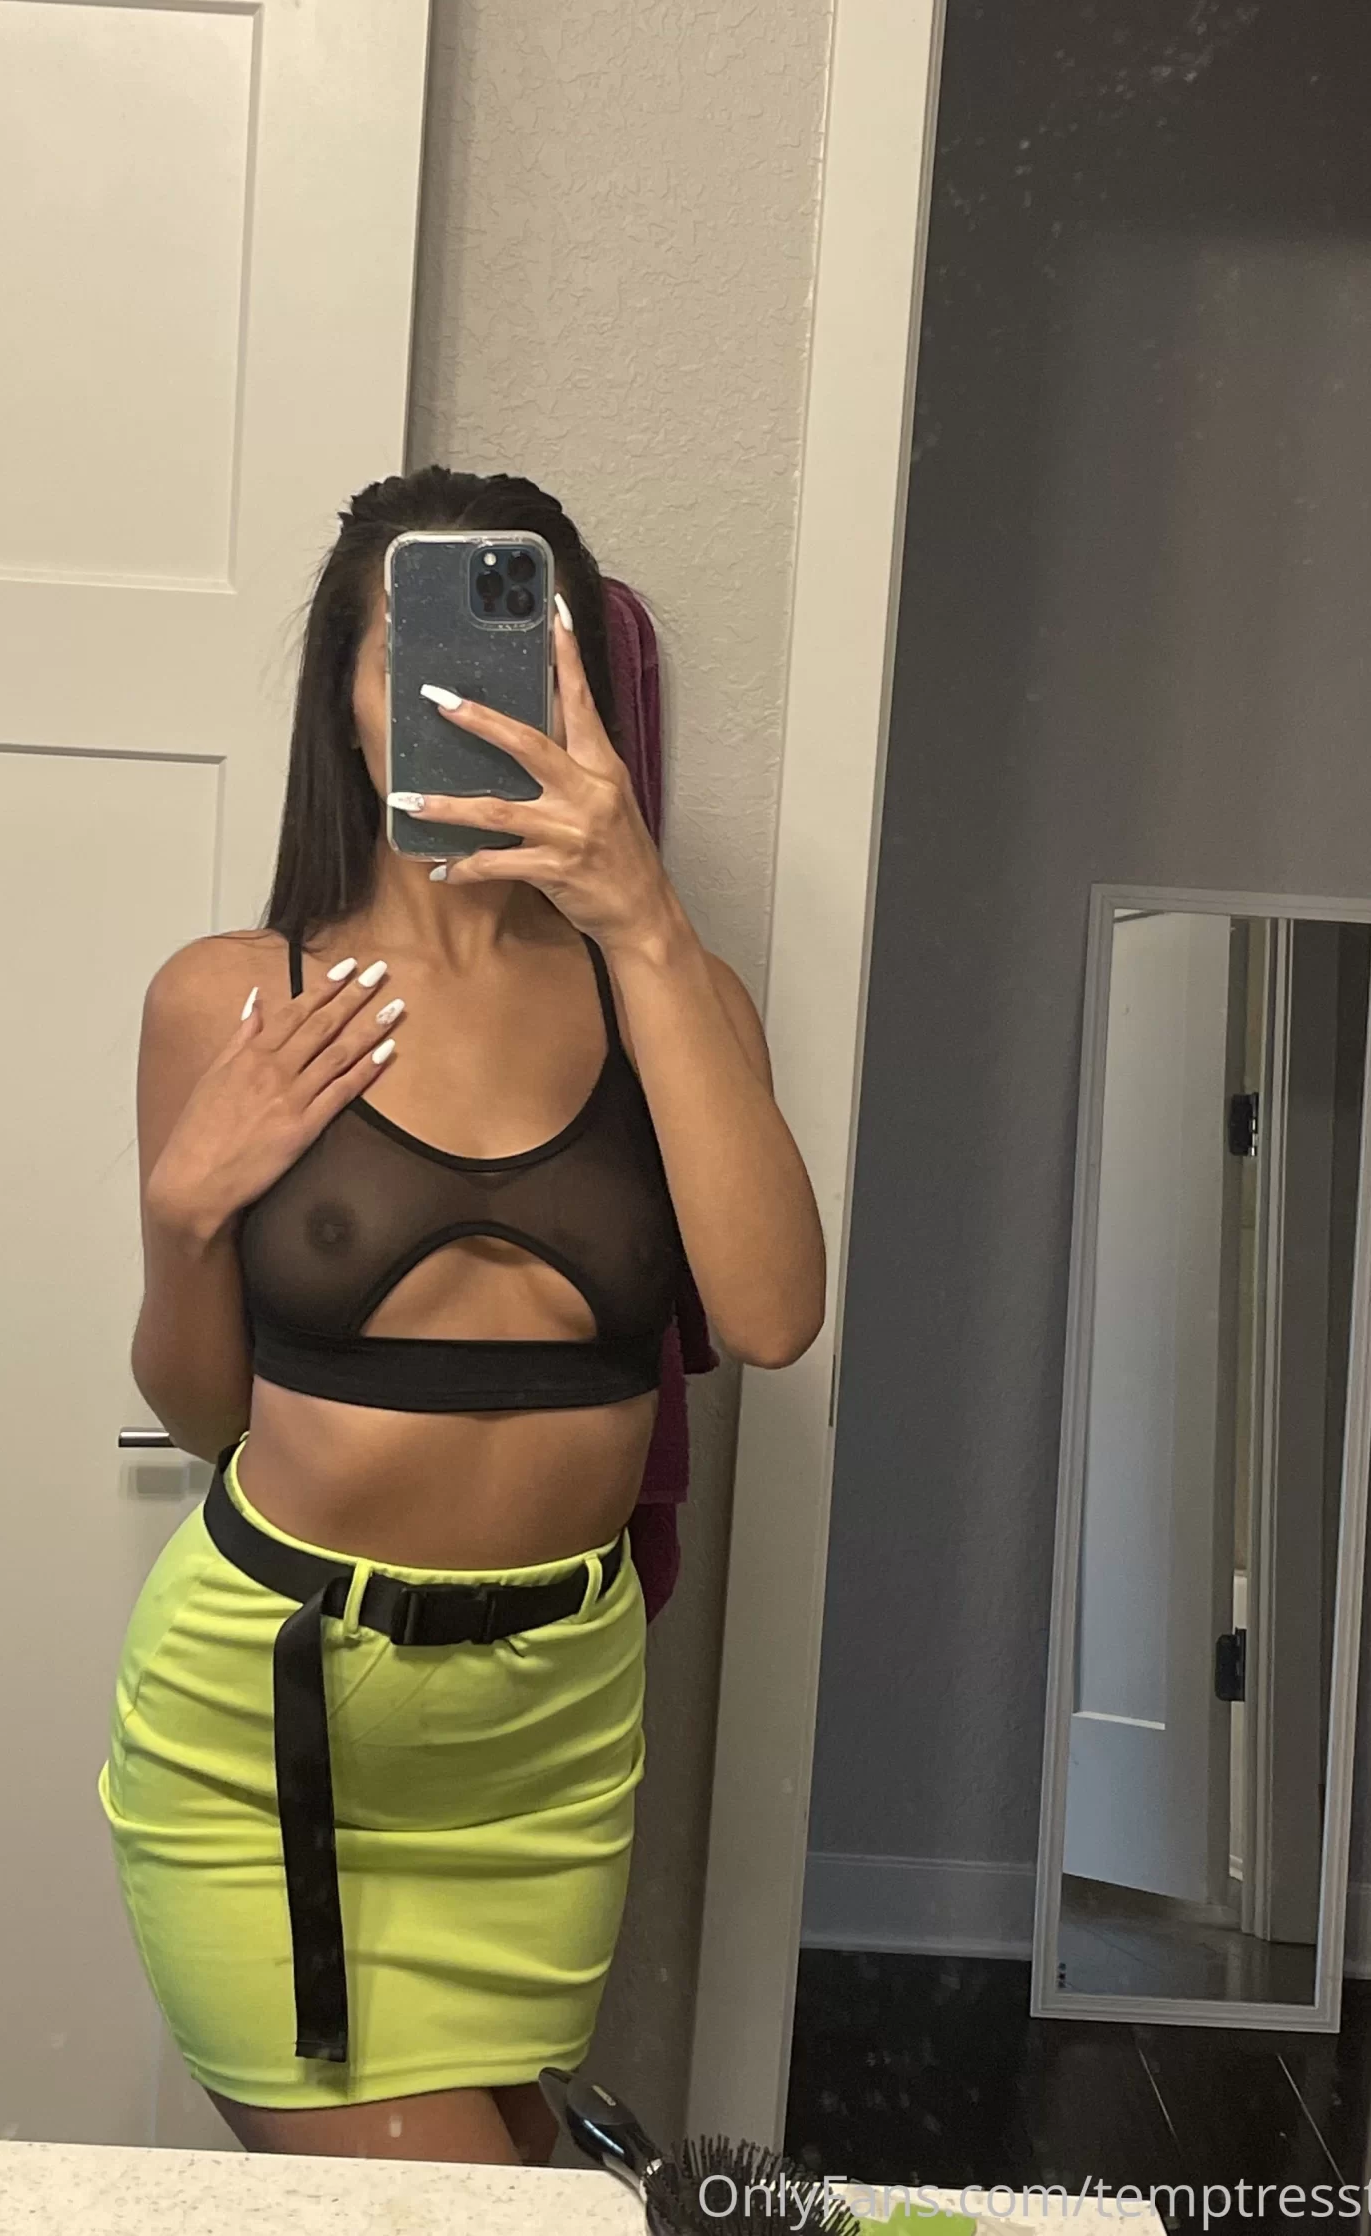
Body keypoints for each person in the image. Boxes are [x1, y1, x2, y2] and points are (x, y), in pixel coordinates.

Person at [97, 465, 825, 2168]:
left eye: (517, 662)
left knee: (512, 2196)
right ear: (344, 706)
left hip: (551, 1746)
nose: (461, 704)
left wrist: (643, 919)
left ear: (585, 699)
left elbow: (776, 1315)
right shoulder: (234, 997)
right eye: (411, 660)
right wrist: (182, 1220)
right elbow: (207, 1415)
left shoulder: (676, 998)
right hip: (273, 1735)